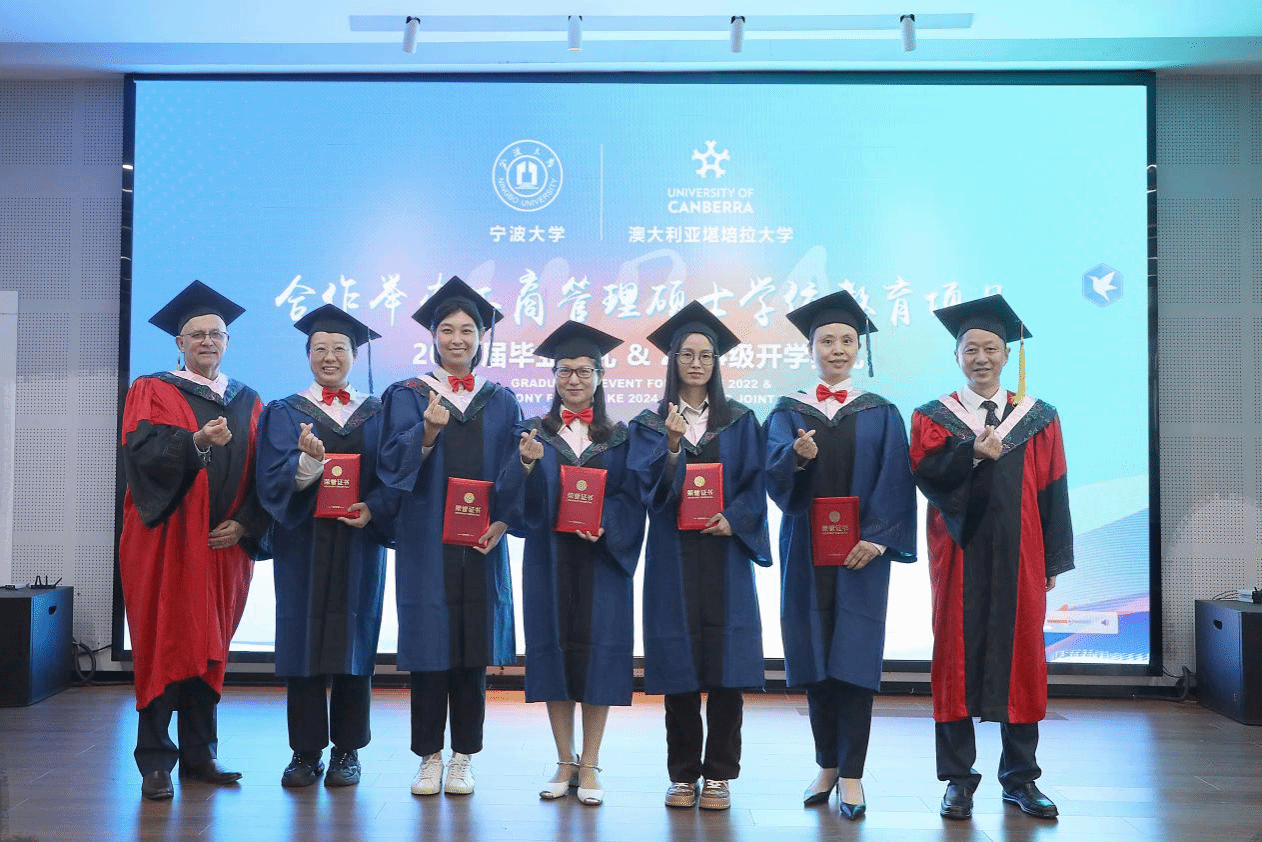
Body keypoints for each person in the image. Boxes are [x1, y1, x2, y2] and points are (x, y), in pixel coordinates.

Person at [908, 294, 1074, 821]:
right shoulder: (934, 418)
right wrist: (969, 454)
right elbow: (926, 476)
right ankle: (958, 781)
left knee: (1022, 657)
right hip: (959, 555)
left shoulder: (1037, 418)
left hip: (1022, 556)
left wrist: (1052, 559)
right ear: (956, 355)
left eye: (990, 348)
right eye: (970, 349)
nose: (981, 357)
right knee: (953, 661)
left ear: (1006, 354)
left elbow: (1053, 490)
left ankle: (1021, 779)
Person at [764, 290, 917, 820]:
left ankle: (852, 773)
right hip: (806, 552)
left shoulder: (881, 412)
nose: (836, 349)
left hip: (861, 556)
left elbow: (895, 477)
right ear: (810, 349)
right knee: (814, 658)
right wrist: (795, 457)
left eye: (846, 340)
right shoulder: (788, 411)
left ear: (858, 348)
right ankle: (826, 764)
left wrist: (877, 537)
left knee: (854, 660)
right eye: (826, 340)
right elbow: (772, 477)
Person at [118, 280, 271, 801]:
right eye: (197, 334)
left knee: (210, 645)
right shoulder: (153, 389)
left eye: (216, 333)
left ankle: (200, 754)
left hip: (224, 547)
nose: (207, 341)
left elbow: (263, 472)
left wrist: (246, 522)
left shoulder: (248, 400)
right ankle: (156, 760)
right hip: (167, 542)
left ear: (227, 341)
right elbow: (141, 452)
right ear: (179, 343)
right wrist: (195, 442)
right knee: (164, 641)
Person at [378, 277, 519, 798]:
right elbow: (388, 465)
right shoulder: (407, 395)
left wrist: (504, 521)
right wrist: (428, 432)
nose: (457, 339)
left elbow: (513, 471)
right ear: (433, 337)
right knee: (430, 647)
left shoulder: (500, 401)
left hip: (481, 544)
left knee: (471, 651)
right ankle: (428, 757)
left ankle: (463, 757)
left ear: (481, 337)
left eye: (467, 330)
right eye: (447, 330)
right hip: (426, 543)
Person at [627, 302, 771, 811]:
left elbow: (756, 482)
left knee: (728, 667)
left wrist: (737, 518)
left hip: (725, 553)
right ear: (672, 361)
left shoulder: (741, 421)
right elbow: (646, 491)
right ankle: (684, 773)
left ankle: (721, 775)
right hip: (673, 555)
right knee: (679, 665)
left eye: (705, 355)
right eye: (686, 354)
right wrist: (671, 445)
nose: (696, 363)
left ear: (716, 362)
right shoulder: (650, 424)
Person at [498, 321, 646, 807]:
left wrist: (607, 523)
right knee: (554, 653)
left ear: (600, 376)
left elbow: (632, 498)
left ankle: (591, 761)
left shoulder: (621, 437)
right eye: (565, 370)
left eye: (584, 370)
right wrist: (523, 464)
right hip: (550, 559)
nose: (574, 379)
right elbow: (509, 498)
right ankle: (564, 759)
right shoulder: (532, 433)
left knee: (600, 655)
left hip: (602, 561)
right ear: (554, 376)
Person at [256, 305, 399, 789]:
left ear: (354, 355)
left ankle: (347, 751)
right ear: (308, 355)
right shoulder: (285, 411)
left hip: (359, 541)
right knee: (303, 641)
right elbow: (270, 479)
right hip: (304, 543)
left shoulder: (377, 412)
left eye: (339, 348)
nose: (330, 356)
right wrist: (308, 463)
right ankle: (304, 752)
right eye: (320, 348)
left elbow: (392, 473)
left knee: (355, 641)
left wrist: (374, 507)